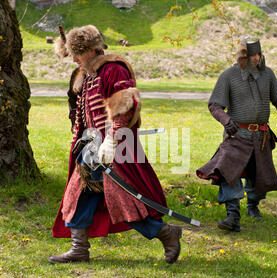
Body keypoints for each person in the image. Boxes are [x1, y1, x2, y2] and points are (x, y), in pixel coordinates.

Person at [49, 25, 182, 263]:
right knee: (77, 196)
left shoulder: (114, 69)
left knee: (126, 201)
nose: (75, 60)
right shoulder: (87, 73)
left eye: (78, 54)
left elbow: (124, 105)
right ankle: (79, 249)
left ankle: (167, 234)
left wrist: (111, 141)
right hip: (90, 149)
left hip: (116, 149)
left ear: (90, 51)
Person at [196, 36, 277, 232]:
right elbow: (215, 105)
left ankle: (253, 206)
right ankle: (233, 215)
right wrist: (226, 120)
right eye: (252, 55)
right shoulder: (229, 76)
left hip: (261, 136)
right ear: (243, 56)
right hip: (237, 135)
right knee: (228, 171)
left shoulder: (268, 75)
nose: (257, 58)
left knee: (259, 175)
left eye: (258, 54)